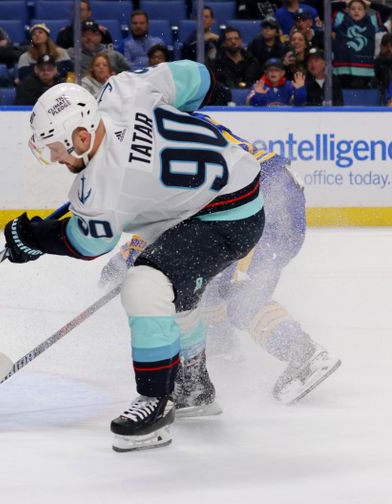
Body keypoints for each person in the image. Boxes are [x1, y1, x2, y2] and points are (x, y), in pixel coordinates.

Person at [5, 61, 265, 452]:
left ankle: (155, 402)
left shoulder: (103, 186)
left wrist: (36, 238)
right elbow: (194, 77)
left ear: (80, 135)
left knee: (146, 283)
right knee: (175, 288)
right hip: (224, 189)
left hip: (225, 216)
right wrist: (211, 90)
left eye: (57, 149)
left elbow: (90, 242)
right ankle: (194, 387)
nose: (56, 158)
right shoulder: (123, 91)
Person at [98, 114, 341, 409]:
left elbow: (163, 213)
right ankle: (224, 343)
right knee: (215, 283)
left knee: (236, 292)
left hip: (256, 202)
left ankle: (304, 353)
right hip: (280, 193)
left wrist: (125, 261)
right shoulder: (176, 124)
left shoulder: (150, 151)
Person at [334, 0, 385, 88]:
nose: (356, 11)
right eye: (353, 8)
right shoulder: (341, 19)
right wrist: (346, 2)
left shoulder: (372, 21)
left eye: (360, 9)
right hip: (342, 70)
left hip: (365, 71)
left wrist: (369, 3)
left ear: (365, 11)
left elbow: (386, 11)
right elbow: (325, 9)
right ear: (348, 10)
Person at [375, 34, 392, 102]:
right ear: (381, 47)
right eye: (386, 46)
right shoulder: (377, 63)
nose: (389, 49)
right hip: (381, 95)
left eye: (391, 46)